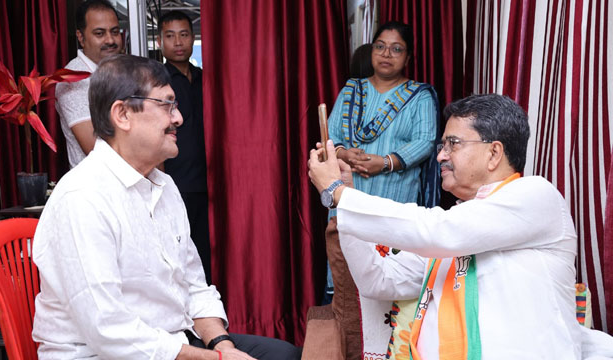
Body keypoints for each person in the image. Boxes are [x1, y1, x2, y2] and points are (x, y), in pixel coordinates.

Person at [32, 54, 302, 360]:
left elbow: (193, 285)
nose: (179, 118)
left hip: (172, 340)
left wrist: (223, 347)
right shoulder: (83, 198)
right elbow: (108, 331)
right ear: (122, 115)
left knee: (284, 354)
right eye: (166, 105)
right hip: (105, 354)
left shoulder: (164, 186)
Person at [308, 94, 613, 359]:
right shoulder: (457, 227)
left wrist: (338, 193)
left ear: (494, 153)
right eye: (442, 145)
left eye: (452, 144)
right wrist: (343, 198)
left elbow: (440, 232)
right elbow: (379, 280)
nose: (440, 155)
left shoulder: (535, 196)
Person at [323, 21, 439, 358]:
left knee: (390, 289)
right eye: (380, 46)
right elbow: (331, 136)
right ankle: (349, 349)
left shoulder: (418, 96)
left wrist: (385, 161)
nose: (386, 54)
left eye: (396, 48)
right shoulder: (352, 91)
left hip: (396, 206)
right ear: (370, 50)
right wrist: (344, 153)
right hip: (350, 203)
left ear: (408, 56)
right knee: (348, 289)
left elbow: (425, 141)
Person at [156, 10, 212, 284]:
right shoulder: (157, 81)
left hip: (210, 180)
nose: (178, 42)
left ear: (193, 38)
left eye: (184, 34)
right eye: (170, 36)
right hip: (176, 181)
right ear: (159, 42)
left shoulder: (206, 78)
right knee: (179, 254)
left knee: (208, 252)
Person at [56, 0, 123, 168]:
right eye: (99, 34)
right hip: (96, 188)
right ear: (81, 37)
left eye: (114, 32)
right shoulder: (73, 79)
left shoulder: (124, 71)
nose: (110, 40)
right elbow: (95, 149)